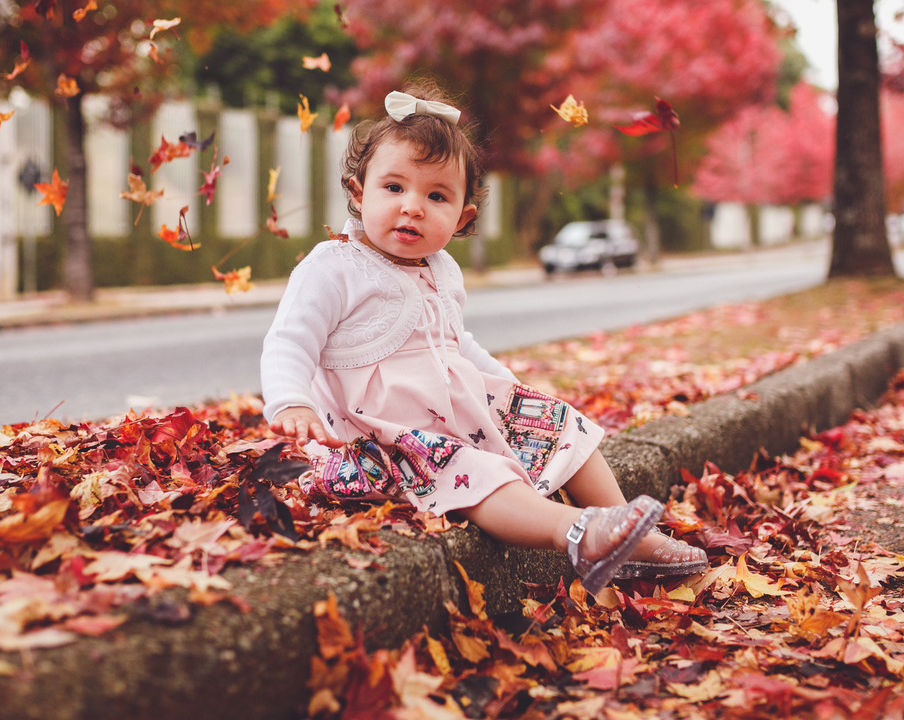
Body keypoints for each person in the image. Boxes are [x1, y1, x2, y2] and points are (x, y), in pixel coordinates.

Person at [261, 83, 706, 593]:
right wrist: (292, 403)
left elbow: (458, 343)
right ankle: (578, 532)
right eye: (393, 188)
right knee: (472, 472)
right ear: (359, 193)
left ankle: (622, 526)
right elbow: (289, 341)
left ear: (462, 218)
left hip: (455, 414)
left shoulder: (443, 270)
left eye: (436, 196)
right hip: (385, 438)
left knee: (560, 424)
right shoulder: (334, 266)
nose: (412, 207)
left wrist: (509, 388)